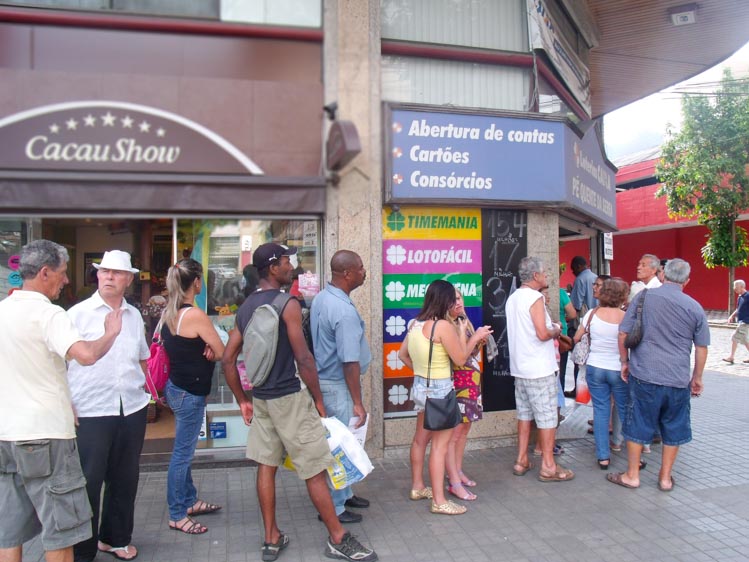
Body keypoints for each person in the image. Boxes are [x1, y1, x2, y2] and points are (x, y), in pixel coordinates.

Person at [221, 243, 377, 562]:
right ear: (272, 268)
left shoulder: (247, 306)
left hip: (262, 398)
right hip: (290, 399)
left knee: (266, 467)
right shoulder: (287, 303)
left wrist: (242, 400)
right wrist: (319, 400)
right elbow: (304, 358)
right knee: (316, 468)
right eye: (285, 261)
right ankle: (338, 538)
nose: (291, 265)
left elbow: (227, 360)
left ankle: (271, 537)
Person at [0, 239, 123, 562]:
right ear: (44, 273)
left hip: (7, 434)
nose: (66, 280)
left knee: (9, 530)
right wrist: (110, 332)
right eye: (62, 273)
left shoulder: (2, 310)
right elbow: (84, 356)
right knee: (61, 531)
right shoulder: (48, 314)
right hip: (47, 435)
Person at [66, 250, 149, 562]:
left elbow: (142, 357)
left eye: (117, 273)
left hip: (131, 405)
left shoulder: (134, 315)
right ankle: (82, 550)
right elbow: (59, 362)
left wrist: (147, 391)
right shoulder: (78, 314)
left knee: (125, 477)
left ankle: (115, 538)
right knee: (88, 479)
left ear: (128, 279)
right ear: (97, 276)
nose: (109, 277)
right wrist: (66, 403)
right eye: (104, 272)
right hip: (90, 408)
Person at [608, 258, 709, 492]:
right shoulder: (694, 307)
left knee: (637, 424)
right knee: (674, 426)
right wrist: (697, 377)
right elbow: (702, 347)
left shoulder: (643, 298)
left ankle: (632, 475)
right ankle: (665, 478)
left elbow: (623, 333)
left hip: (644, 375)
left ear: (663, 275)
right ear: (687, 281)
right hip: (677, 379)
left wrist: (625, 362)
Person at [399, 280, 492, 515]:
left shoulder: (415, 325)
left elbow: (402, 355)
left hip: (421, 386)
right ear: (444, 300)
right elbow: (461, 359)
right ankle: (440, 500)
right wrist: (467, 335)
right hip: (441, 390)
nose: (455, 303)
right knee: (440, 447)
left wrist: (422, 372)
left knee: (420, 440)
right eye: (452, 298)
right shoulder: (443, 327)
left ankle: (417, 487)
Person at [162, 258, 225, 535]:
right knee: (182, 455)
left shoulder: (171, 312)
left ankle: (188, 500)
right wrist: (211, 347)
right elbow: (221, 350)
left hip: (177, 388)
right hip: (189, 393)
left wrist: (207, 346)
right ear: (196, 282)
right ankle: (177, 513)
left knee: (182, 449)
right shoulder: (195, 316)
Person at [310, 250, 372, 524]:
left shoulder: (324, 297)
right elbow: (349, 361)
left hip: (328, 382)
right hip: (338, 385)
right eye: (360, 267)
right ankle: (334, 508)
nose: (364, 271)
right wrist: (357, 402)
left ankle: (345, 493)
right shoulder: (343, 310)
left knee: (342, 445)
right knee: (339, 447)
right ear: (347, 274)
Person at [506, 256, 574, 483]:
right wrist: (556, 328)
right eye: (545, 273)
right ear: (535, 276)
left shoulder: (513, 298)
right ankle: (548, 466)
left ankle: (521, 459)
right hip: (539, 368)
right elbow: (542, 334)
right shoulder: (534, 298)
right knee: (546, 418)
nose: (548, 276)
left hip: (520, 368)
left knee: (524, 415)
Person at [574, 278, 630, 470]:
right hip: (619, 368)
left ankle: (603, 456)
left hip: (595, 367)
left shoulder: (591, 314)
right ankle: (632, 454)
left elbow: (576, 337)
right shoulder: (626, 316)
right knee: (624, 411)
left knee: (600, 410)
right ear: (622, 296)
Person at [445, 289, 482, 501]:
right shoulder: (447, 325)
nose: (457, 302)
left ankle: (458, 470)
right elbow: (458, 356)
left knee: (465, 429)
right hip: (458, 382)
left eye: (459, 298)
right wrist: (474, 338)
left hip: (472, 380)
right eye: (453, 300)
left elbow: (470, 352)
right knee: (455, 433)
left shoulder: (463, 321)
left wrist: (477, 341)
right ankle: (453, 479)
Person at [567, 256, 598, 397]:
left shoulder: (580, 279)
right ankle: (590, 391)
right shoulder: (595, 277)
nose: (573, 272)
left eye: (573, 269)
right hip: (596, 321)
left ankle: (579, 391)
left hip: (582, 323)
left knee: (578, 358)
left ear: (579, 266)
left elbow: (576, 305)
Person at [722, 279, 749, 364]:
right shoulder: (740, 297)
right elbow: (738, 309)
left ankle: (731, 357)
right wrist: (731, 316)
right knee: (744, 340)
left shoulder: (748, 296)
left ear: (742, 287)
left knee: (734, 337)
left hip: (746, 321)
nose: (734, 288)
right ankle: (731, 357)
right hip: (741, 321)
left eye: (736, 287)